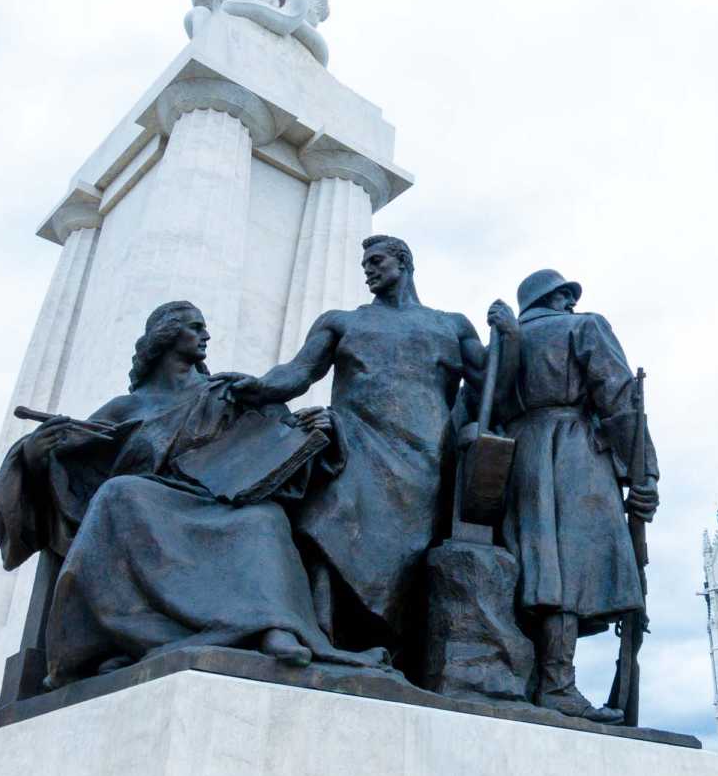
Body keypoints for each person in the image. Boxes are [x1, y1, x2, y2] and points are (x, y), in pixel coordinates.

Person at [0, 301, 386, 687]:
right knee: (119, 493)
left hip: (221, 502)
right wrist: (37, 454)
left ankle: (276, 628)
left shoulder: (226, 391)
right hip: (149, 501)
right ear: (166, 334)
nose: (206, 334)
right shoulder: (127, 406)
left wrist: (314, 431)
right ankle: (132, 637)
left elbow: (276, 443)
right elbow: (73, 464)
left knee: (264, 518)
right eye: (195, 326)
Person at [217, 236, 518, 662]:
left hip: (424, 458)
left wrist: (512, 338)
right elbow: (298, 372)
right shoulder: (341, 322)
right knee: (327, 524)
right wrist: (260, 387)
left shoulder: (450, 326)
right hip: (354, 445)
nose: (368, 270)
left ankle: (387, 650)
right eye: (364, 264)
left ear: (404, 262)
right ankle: (320, 635)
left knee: (405, 560)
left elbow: (493, 388)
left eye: (376, 261)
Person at [499, 269, 658, 722]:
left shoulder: (504, 339)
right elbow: (620, 399)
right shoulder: (584, 326)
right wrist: (643, 474)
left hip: (516, 454)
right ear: (562, 297)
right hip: (572, 453)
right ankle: (557, 685)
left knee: (537, 569)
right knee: (567, 572)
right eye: (568, 295)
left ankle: (537, 680)